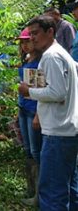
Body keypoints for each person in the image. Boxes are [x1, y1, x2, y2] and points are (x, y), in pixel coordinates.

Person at [19, 15, 78, 211]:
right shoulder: (63, 54)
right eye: (30, 34)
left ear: (50, 32)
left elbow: (57, 92)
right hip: (68, 130)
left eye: (35, 33)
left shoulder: (51, 56)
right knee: (69, 188)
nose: (32, 38)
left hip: (57, 133)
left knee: (52, 192)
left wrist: (29, 91)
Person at [16, 28, 42, 206]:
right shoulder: (26, 60)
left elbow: (40, 92)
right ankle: (30, 189)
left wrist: (38, 116)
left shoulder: (39, 62)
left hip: (33, 110)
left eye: (27, 41)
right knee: (27, 149)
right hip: (24, 108)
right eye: (22, 42)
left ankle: (39, 194)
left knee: (35, 151)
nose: (24, 45)